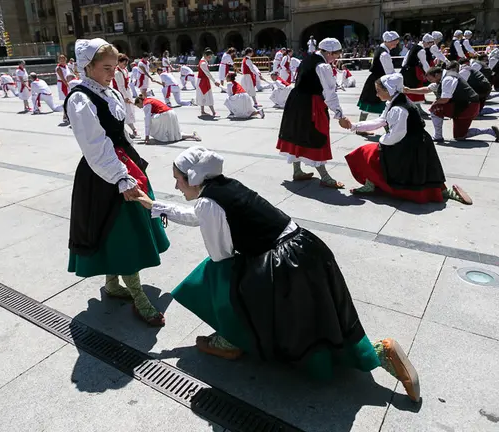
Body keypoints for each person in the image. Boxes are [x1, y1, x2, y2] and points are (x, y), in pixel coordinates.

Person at [131, 146, 421, 403]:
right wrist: (153, 205)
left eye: (178, 180)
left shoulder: (209, 201)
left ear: (193, 177)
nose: (176, 185)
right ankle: (381, 353)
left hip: (283, 264)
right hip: (307, 248)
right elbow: (200, 216)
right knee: (323, 319)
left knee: (215, 277)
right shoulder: (225, 186)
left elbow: (221, 257)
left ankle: (232, 339)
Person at [63, 38, 170, 326]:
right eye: (106, 67)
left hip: (124, 163)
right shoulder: (81, 99)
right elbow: (95, 145)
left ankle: (113, 284)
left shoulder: (107, 91)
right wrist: (121, 178)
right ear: (88, 66)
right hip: (105, 172)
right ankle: (137, 296)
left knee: (122, 231)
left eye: (115, 66)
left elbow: (117, 132)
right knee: (124, 233)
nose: (113, 72)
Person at [343, 73, 472, 205]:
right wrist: (354, 126)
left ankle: (371, 184)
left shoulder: (398, 108)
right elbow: (381, 120)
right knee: (427, 175)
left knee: (365, 153)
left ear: (389, 90)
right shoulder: (397, 100)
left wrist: (381, 141)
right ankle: (446, 192)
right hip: (417, 142)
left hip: (409, 144)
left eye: (378, 91)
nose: (377, 94)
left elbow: (395, 136)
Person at [276, 38, 351, 186]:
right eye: (336, 54)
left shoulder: (308, 58)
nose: (337, 58)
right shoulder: (323, 66)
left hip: (296, 101)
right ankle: (325, 177)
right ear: (329, 52)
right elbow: (330, 93)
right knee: (317, 135)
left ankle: (297, 171)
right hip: (311, 104)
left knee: (297, 134)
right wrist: (340, 115)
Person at [405, 66, 499, 143]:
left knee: (435, 109)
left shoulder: (448, 79)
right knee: (460, 136)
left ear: (437, 74)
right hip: (465, 106)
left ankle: (438, 137)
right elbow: (428, 89)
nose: (431, 82)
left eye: (431, 80)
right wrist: (409, 90)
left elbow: (445, 99)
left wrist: (435, 102)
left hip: (467, 107)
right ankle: (490, 131)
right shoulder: (442, 78)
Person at [358, 31, 400, 128]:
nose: (395, 46)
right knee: (382, 107)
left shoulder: (379, 49)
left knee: (368, 105)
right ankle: (388, 131)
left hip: (374, 80)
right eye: (394, 43)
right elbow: (390, 72)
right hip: (380, 81)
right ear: (389, 41)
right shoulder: (384, 54)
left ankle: (360, 128)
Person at [134, 94, 200, 143]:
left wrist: (147, 136)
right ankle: (192, 135)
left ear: (140, 101)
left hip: (165, 115)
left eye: (138, 106)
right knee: (175, 135)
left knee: (148, 119)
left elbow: (147, 120)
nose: (139, 107)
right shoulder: (149, 99)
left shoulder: (146, 104)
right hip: (171, 113)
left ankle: (159, 133)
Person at [400, 34, 435, 118]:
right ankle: (415, 110)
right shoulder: (421, 50)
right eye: (430, 43)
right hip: (412, 72)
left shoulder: (415, 46)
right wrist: (431, 73)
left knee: (411, 89)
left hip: (406, 70)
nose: (431, 45)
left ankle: (417, 109)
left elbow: (405, 60)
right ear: (426, 42)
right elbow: (424, 64)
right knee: (414, 89)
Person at [112, 54, 138, 136]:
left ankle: (133, 129)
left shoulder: (125, 70)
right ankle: (126, 131)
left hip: (126, 92)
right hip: (120, 94)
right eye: (124, 64)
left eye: (126, 64)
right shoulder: (117, 72)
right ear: (118, 62)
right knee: (123, 112)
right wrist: (125, 97)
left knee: (129, 111)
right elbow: (120, 86)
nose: (125, 66)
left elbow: (125, 85)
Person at [196, 49, 220, 117]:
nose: (210, 58)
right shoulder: (203, 63)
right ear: (205, 56)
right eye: (209, 57)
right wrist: (215, 81)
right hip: (202, 81)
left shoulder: (203, 60)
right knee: (207, 95)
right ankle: (212, 112)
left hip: (203, 80)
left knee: (204, 95)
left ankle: (203, 111)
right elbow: (208, 73)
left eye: (211, 57)